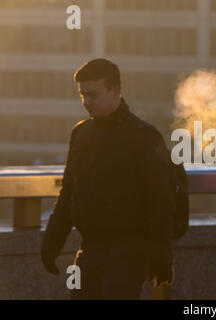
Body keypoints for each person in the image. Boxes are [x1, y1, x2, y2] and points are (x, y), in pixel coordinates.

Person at [41, 58, 175, 299]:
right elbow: (69, 193)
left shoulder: (144, 137)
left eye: (93, 95)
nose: (86, 102)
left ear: (116, 91)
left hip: (128, 252)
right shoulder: (81, 134)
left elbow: (160, 201)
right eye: (82, 95)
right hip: (90, 249)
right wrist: (51, 244)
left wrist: (161, 257)